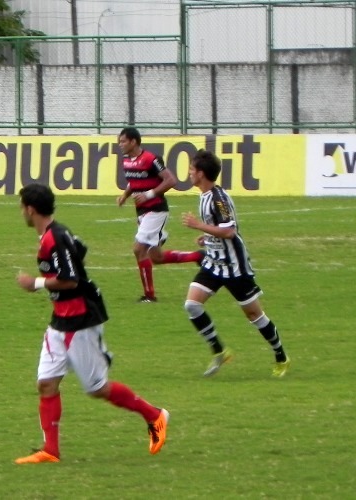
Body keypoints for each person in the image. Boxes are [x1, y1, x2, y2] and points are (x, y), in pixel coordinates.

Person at [15, 183, 169, 464]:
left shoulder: (54, 237)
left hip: (80, 320)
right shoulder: (55, 234)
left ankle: (155, 415)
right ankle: (50, 450)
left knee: (97, 388)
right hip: (60, 319)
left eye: (22, 207)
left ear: (30, 209)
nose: (21, 213)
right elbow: (80, 251)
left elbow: (71, 279)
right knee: (46, 383)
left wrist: (35, 283)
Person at [181, 149, 290, 377]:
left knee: (254, 315)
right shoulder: (204, 194)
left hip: (234, 266)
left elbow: (229, 231)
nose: (189, 173)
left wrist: (199, 226)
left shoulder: (219, 199)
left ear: (201, 173)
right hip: (214, 262)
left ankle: (281, 355)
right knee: (192, 305)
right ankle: (219, 351)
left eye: (192, 169)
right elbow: (219, 230)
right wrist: (207, 237)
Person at [116, 127, 204, 303]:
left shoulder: (151, 159)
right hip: (141, 212)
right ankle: (198, 256)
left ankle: (149, 296)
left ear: (133, 141)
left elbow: (171, 180)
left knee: (138, 249)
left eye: (123, 141)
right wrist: (125, 196)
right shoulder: (126, 161)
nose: (120, 145)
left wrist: (149, 194)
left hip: (156, 210)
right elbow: (133, 182)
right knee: (156, 257)